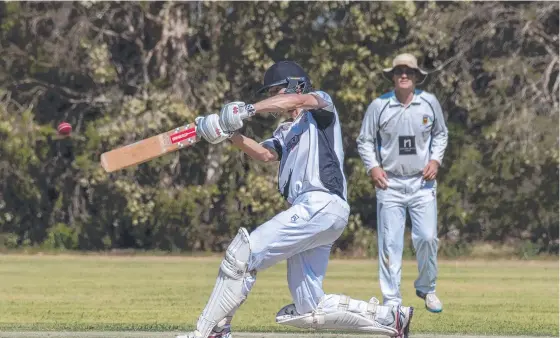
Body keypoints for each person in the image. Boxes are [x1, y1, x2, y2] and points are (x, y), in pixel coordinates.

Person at [176, 60, 414, 338]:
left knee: (241, 254)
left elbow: (299, 100)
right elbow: (264, 154)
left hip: (321, 203)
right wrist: (228, 134)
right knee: (309, 307)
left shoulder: (322, 108)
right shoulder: (285, 132)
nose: (272, 99)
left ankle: (209, 332)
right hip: (315, 213)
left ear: (295, 85)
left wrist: (248, 109)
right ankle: (391, 318)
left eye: (275, 92)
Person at [356, 53, 449, 313]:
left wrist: (435, 160)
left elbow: (441, 134)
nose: (404, 75)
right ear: (393, 76)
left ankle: (427, 288)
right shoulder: (379, 105)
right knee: (390, 244)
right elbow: (364, 140)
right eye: (399, 71)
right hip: (390, 184)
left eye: (409, 71)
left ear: (417, 75)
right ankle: (392, 301)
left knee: (428, 238)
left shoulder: (429, 102)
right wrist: (373, 167)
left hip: (423, 183)